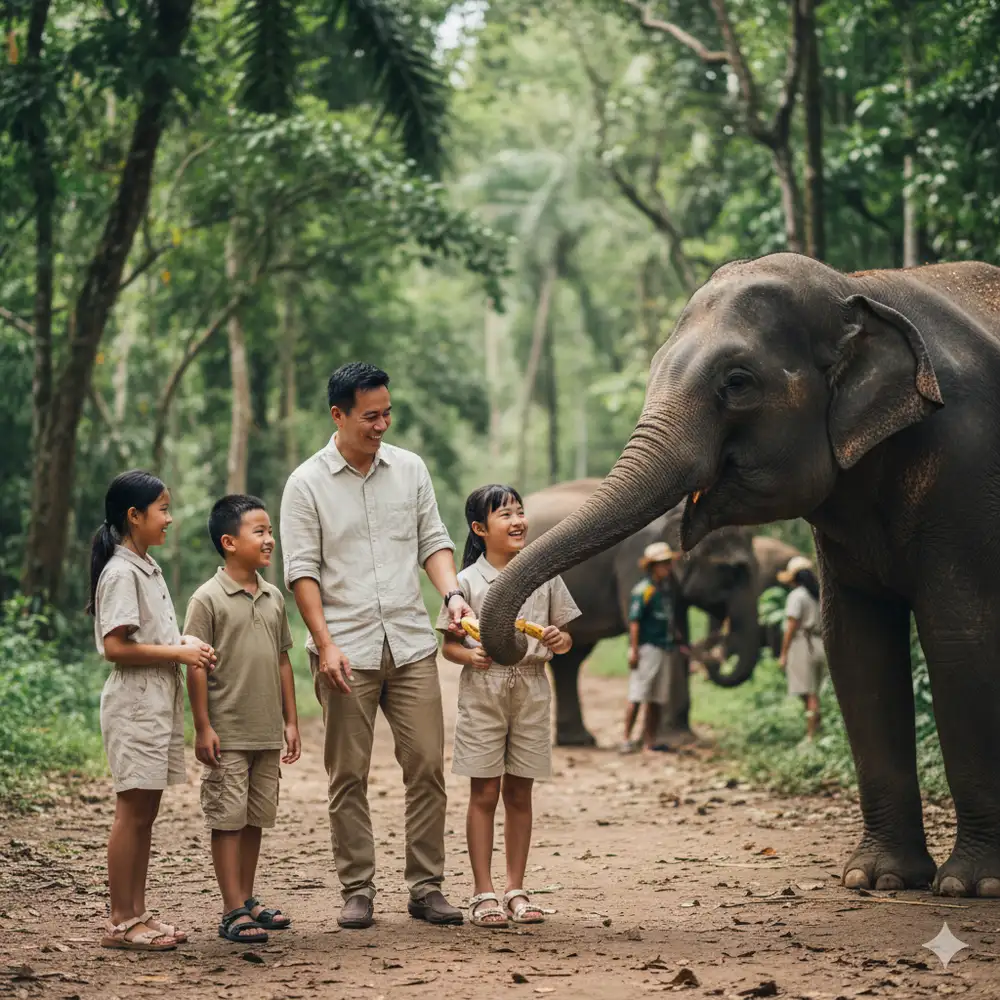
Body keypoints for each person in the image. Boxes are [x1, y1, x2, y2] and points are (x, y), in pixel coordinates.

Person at [279, 362, 474, 930]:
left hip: (411, 643)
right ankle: (357, 889)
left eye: (387, 412)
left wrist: (454, 594)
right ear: (338, 415)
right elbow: (303, 573)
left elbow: (434, 542)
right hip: (345, 651)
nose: (382, 424)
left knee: (427, 767)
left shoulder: (410, 469)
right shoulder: (306, 483)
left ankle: (426, 887)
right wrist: (325, 643)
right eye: (370, 416)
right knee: (348, 774)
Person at [437, 485, 580, 928]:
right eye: (506, 515)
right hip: (484, 689)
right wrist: (470, 655)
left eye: (520, 512)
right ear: (480, 529)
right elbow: (449, 647)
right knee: (484, 793)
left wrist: (560, 639)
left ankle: (516, 889)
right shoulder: (464, 584)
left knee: (520, 793)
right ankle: (483, 891)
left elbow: (566, 637)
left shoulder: (545, 574)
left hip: (533, 687)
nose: (518, 521)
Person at [88, 469, 217, 951]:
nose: (169, 518)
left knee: (146, 812)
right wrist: (178, 654)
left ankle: (137, 912)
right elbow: (115, 647)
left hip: (157, 702)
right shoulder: (121, 571)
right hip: (135, 704)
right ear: (134, 515)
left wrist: (183, 643)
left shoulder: (146, 566)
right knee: (132, 810)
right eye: (162, 509)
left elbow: (147, 637)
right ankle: (121, 922)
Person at [183, 494, 301, 945]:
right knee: (227, 819)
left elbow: (283, 661)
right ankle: (232, 908)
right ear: (229, 542)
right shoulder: (207, 599)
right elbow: (194, 664)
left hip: (265, 730)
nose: (270, 539)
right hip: (227, 732)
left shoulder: (272, 598)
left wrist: (290, 722)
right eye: (260, 532)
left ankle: (247, 898)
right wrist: (203, 726)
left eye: (270, 531)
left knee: (254, 818)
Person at [621, 542, 679, 754]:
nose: (668, 567)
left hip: (662, 647)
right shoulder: (642, 591)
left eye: (668, 563)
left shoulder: (662, 591)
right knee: (638, 694)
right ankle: (626, 739)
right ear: (652, 566)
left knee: (656, 699)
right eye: (663, 564)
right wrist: (634, 649)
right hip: (647, 649)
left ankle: (649, 741)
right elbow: (634, 622)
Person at [777, 555, 825, 740]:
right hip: (819, 644)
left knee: (808, 693)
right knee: (814, 692)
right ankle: (818, 729)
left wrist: (783, 653)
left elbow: (791, 627)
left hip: (802, 645)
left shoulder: (797, 596)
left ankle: (811, 736)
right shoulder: (818, 595)